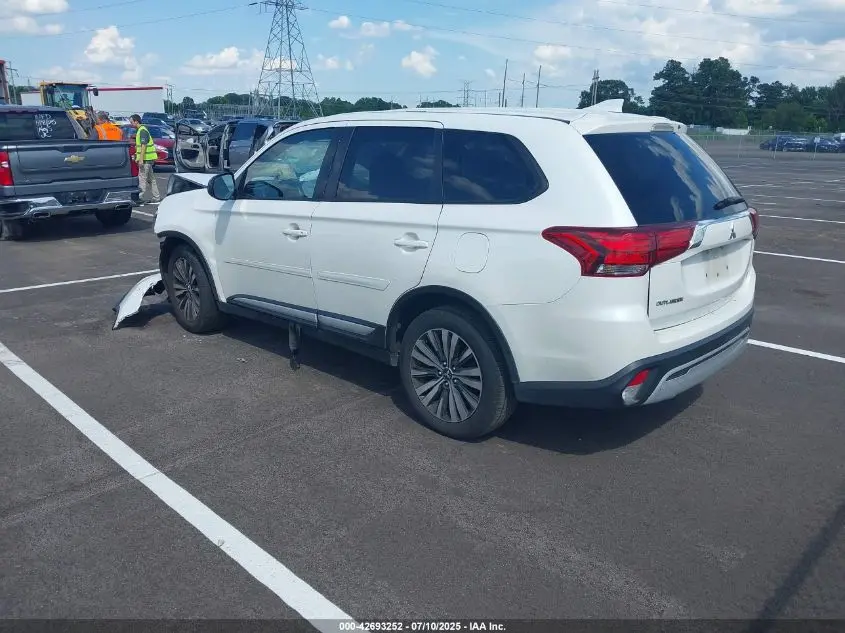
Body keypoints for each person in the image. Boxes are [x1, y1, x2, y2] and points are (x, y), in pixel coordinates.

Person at [129, 114, 161, 205]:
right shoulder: (141, 130)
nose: (131, 124)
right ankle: (156, 197)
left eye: (132, 122)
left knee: (142, 178)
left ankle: (139, 197)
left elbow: (144, 146)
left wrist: (141, 159)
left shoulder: (142, 131)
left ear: (136, 121)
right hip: (149, 159)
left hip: (146, 159)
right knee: (151, 179)